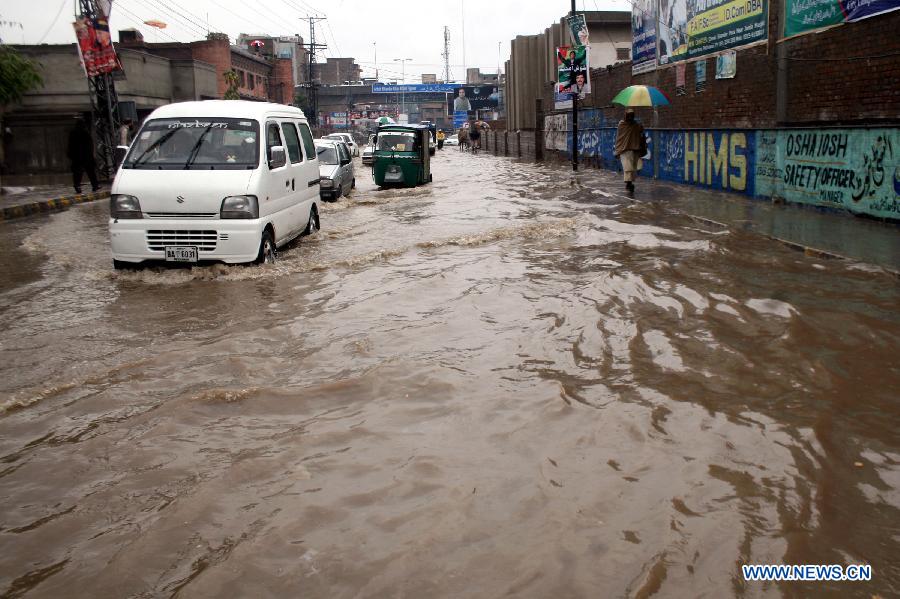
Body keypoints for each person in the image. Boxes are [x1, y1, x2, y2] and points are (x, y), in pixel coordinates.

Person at [613, 109, 646, 192]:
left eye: (632, 115)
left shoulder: (636, 125)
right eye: (629, 115)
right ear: (626, 116)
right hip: (624, 149)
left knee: (633, 167)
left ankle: (629, 183)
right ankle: (628, 183)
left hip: (634, 148)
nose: (630, 117)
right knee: (628, 167)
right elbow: (620, 137)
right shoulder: (622, 124)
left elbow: (640, 134)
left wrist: (641, 128)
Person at [68, 116, 99, 194]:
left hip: (76, 156)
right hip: (86, 156)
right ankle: (95, 185)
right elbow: (89, 145)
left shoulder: (73, 132)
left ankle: (77, 185)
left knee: (77, 172)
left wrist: (71, 154)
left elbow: (70, 145)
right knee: (90, 171)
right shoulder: (85, 132)